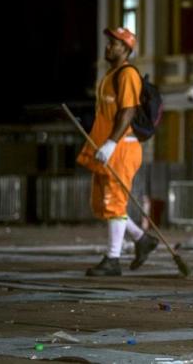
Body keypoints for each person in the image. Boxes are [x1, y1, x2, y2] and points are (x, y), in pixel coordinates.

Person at [77, 27, 159, 276]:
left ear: (126, 49)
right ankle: (142, 239)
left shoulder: (127, 75)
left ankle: (112, 260)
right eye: (108, 43)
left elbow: (128, 111)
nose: (108, 47)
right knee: (100, 205)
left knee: (114, 203)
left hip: (121, 148)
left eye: (114, 43)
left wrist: (112, 142)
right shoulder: (109, 76)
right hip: (105, 147)